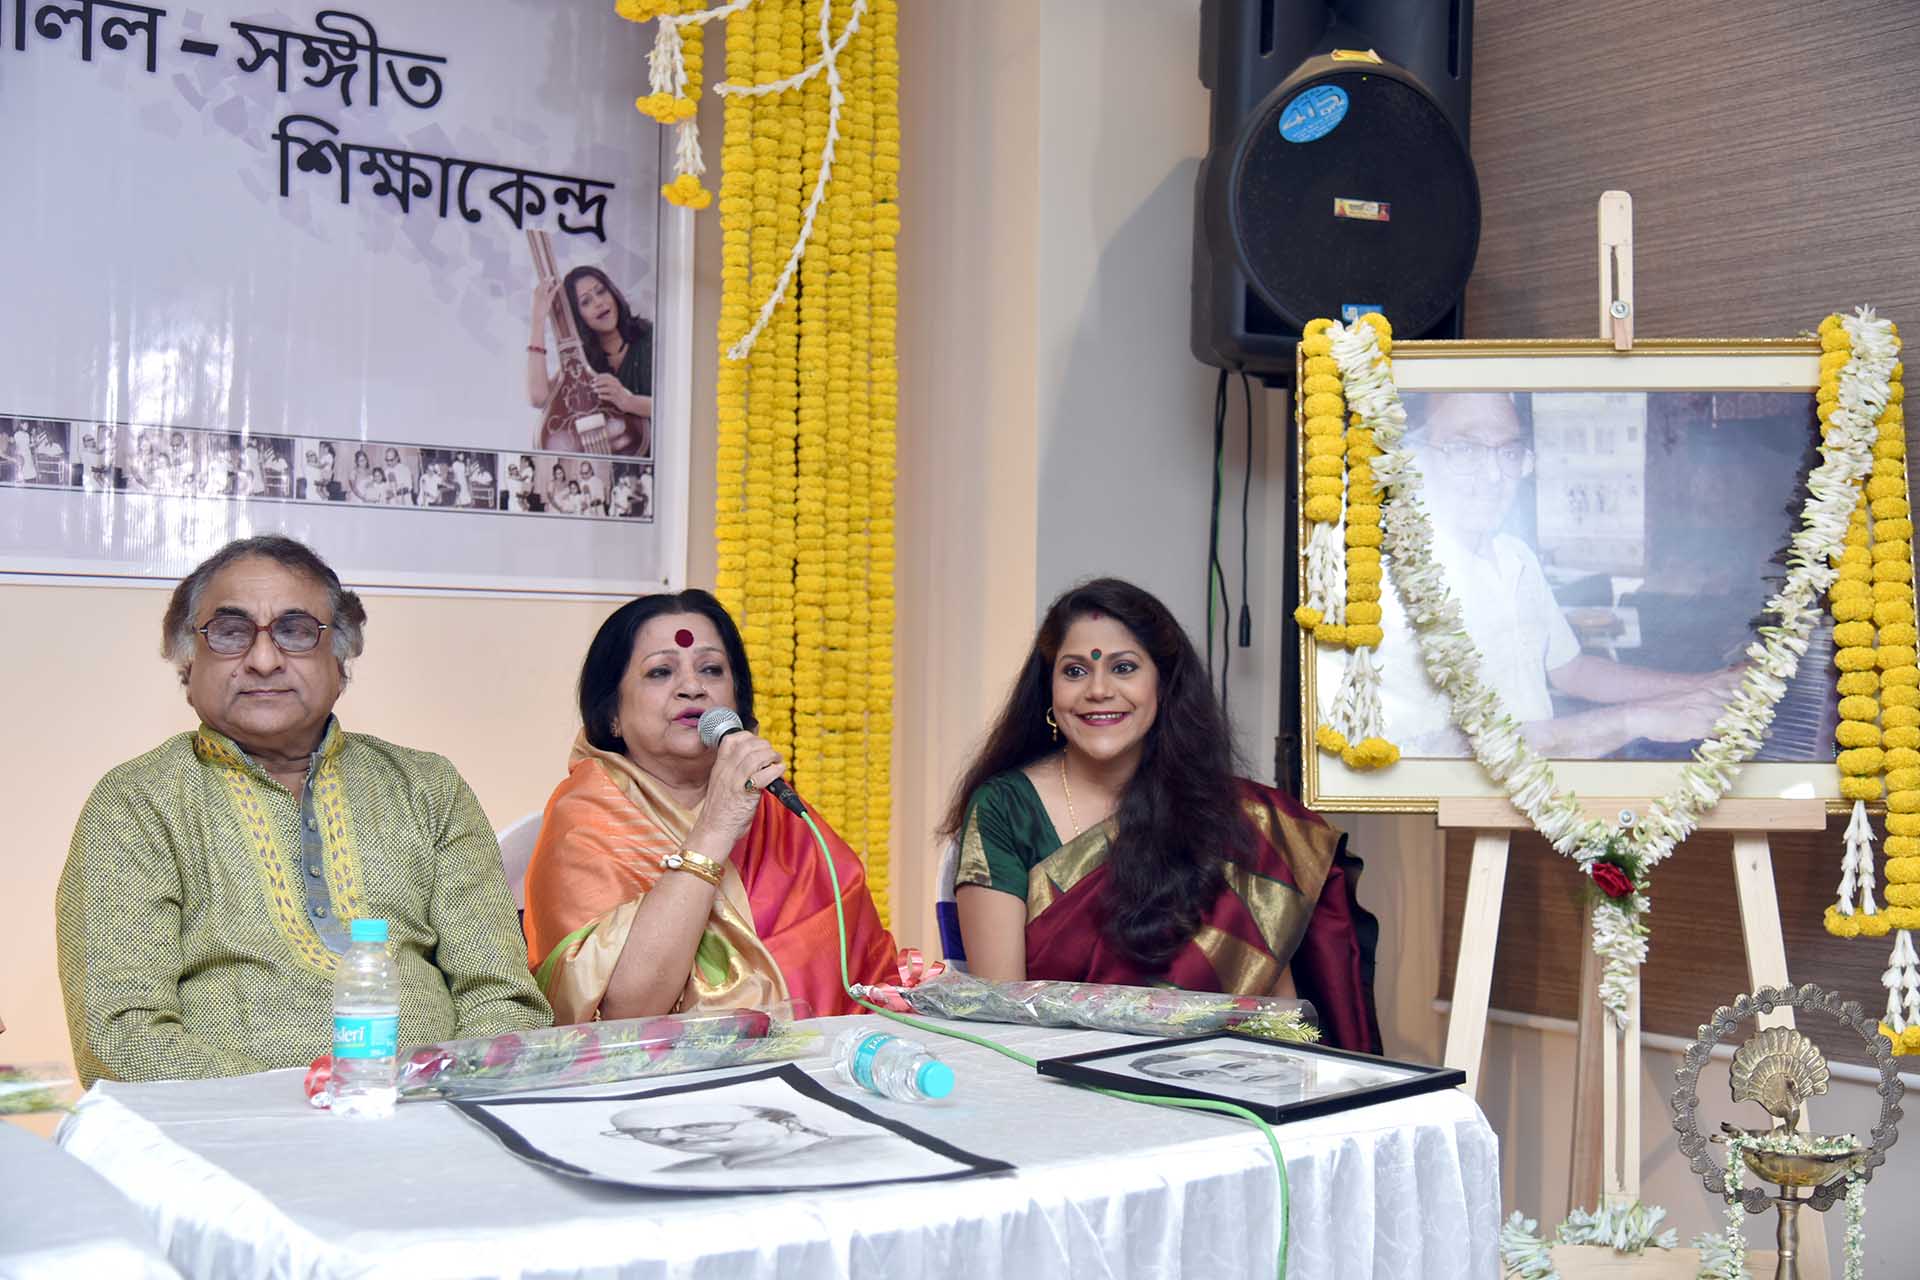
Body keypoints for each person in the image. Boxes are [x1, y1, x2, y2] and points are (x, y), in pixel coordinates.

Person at [56, 536, 549, 1085]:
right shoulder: (135, 802)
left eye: (295, 631)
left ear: (340, 661)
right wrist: (297, 1101)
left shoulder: (428, 788)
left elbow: (502, 998)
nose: (264, 660)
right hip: (223, 1127)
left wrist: (439, 1093)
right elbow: (118, 1034)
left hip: (431, 1111)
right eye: (230, 632)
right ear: (187, 665)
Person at [945, 577, 1380, 1052]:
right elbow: (1002, 1010)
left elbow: (1276, 1014)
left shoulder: (1234, 817)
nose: (1098, 689)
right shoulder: (1005, 808)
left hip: (1214, 1074)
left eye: (1124, 667)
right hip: (1050, 1073)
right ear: (1049, 690)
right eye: (1074, 671)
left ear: (1164, 685)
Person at [523, 590, 897, 1024]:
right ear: (612, 716)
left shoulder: (776, 808)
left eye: (712, 669)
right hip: (661, 1064)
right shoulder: (585, 819)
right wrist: (715, 829)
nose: (692, 687)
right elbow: (619, 1011)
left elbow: (862, 982)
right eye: (660, 672)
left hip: (817, 1051)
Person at [1381, 393, 1742, 758]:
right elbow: (1431, 749)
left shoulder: (1515, 556)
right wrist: (1635, 720)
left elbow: (1574, 671)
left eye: (1509, 452)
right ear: (1414, 457)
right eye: (1465, 449)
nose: (1493, 476)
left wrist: (1703, 685)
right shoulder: (1389, 582)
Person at [527, 266, 653, 455]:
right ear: (578, 316)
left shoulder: (653, 340)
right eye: (586, 302)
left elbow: (678, 406)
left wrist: (628, 401)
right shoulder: (582, 363)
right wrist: (537, 320)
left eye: (601, 291)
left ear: (613, 293)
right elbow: (538, 397)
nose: (598, 303)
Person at [603, 1103, 900, 1173]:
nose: (671, 1139)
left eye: (704, 1126)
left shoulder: (877, 1152)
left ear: (783, 1120)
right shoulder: (675, 1175)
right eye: (644, 1134)